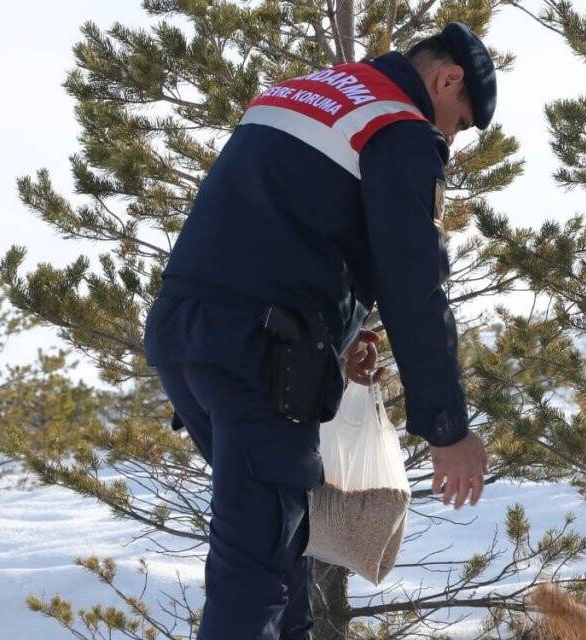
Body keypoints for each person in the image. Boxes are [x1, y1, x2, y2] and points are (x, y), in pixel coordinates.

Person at [142, 22, 496, 640]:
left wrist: (336, 336)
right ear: (446, 79)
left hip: (186, 334)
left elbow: (281, 223)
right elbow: (415, 285)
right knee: (254, 573)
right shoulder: (400, 128)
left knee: (282, 544)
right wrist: (447, 428)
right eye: (457, 123)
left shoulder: (302, 92)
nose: (449, 139)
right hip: (260, 355)